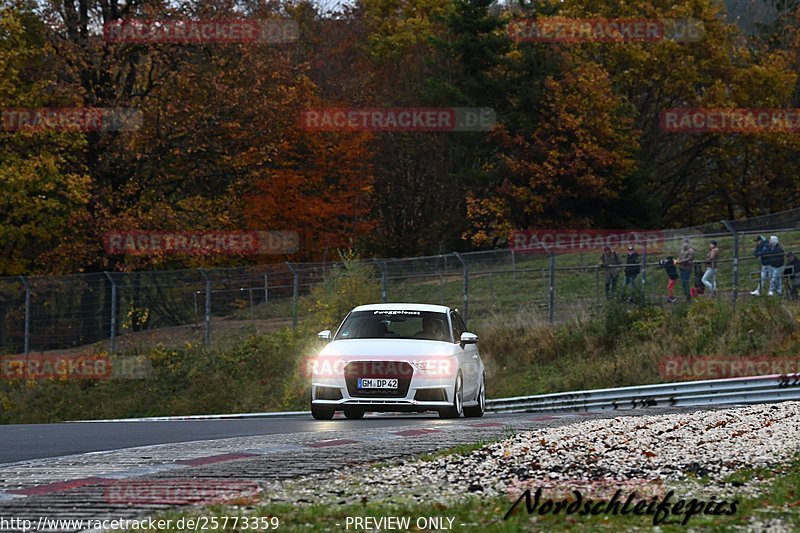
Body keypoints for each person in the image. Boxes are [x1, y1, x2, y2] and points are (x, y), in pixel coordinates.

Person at [673, 238, 696, 302]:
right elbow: (679, 257)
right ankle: (687, 296)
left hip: (687, 268)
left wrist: (680, 262)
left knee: (685, 282)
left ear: (688, 243)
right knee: (683, 283)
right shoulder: (682, 250)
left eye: (685, 242)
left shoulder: (691, 250)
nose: (684, 244)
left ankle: (689, 296)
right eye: (683, 242)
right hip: (681, 268)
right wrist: (676, 260)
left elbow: (689, 259)